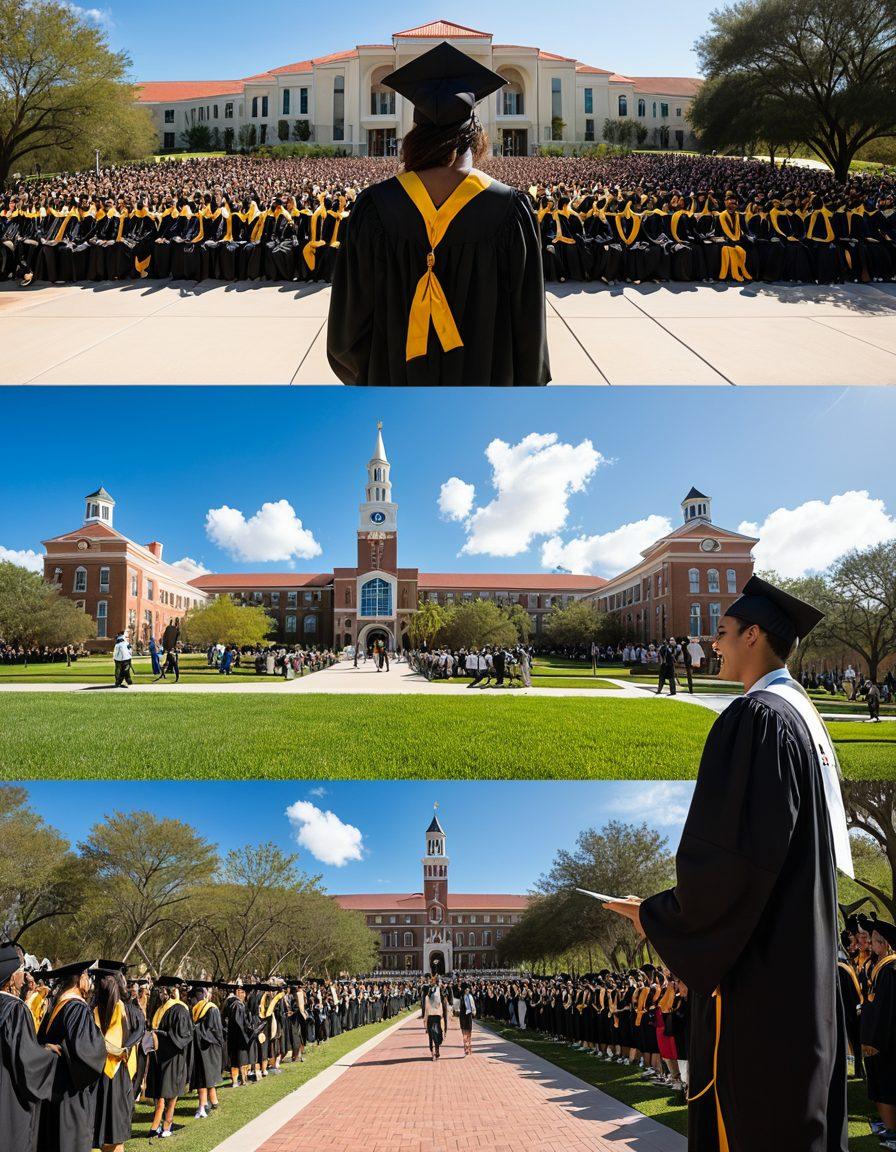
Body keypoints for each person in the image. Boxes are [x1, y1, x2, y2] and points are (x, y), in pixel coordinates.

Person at [603, 575, 853, 1152]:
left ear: (754, 635)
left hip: (761, 985)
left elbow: (729, 868)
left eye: (721, 632)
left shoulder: (757, 720)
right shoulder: (804, 721)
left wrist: (658, 916)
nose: (711, 644)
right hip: (801, 971)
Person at [327, 42, 550, 386]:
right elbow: (529, 337)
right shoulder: (511, 210)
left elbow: (345, 338)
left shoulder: (373, 208)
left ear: (415, 134)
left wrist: (377, 375)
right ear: (474, 135)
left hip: (394, 384)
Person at [37, 958, 107, 1152]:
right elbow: (88, 1053)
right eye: (88, 976)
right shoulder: (77, 1008)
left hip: (53, 1090)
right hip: (72, 1093)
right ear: (80, 978)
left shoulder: (56, 1007)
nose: (90, 982)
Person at [0, 941, 58, 1152]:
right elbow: (27, 1060)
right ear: (10, 976)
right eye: (21, 970)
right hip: (9, 1098)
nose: (24, 976)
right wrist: (49, 1054)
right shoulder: (16, 1010)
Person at [91, 965, 135, 1152]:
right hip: (111, 1076)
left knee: (110, 1134)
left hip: (106, 1075)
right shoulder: (124, 1010)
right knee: (111, 1135)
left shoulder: (111, 1009)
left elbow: (111, 1046)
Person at [861, 916, 896, 1148]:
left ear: (884, 944)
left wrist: (874, 1039)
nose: (869, 944)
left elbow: (886, 1009)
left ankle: (893, 1131)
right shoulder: (883, 968)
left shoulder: (889, 970)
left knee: (887, 1084)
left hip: (886, 1041)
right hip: (883, 1037)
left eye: (873, 940)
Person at [146, 976, 193, 1139]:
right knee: (159, 1093)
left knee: (170, 1093)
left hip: (173, 1057)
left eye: (161, 990)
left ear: (169, 991)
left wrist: (161, 1034)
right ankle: (156, 1125)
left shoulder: (180, 1009)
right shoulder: (160, 1009)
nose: (159, 994)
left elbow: (183, 1036)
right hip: (159, 1056)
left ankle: (167, 1124)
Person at [189, 982, 223, 1119]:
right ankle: (212, 1103)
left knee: (204, 1078)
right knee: (202, 1078)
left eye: (193, 998)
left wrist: (195, 1030)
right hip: (199, 1049)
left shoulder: (211, 1009)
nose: (192, 1002)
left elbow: (214, 1032)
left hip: (208, 1049)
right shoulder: (196, 1010)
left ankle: (203, 1106)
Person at [421, 976, 445, 1060]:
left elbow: (427, 1011)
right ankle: (434, 1052)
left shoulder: (434, 998)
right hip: (433, 1018)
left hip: (435, 1018)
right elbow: (426, 1011)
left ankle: (435, 1051)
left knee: (434, 1036)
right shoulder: (428, 998)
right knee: (434, 1035)